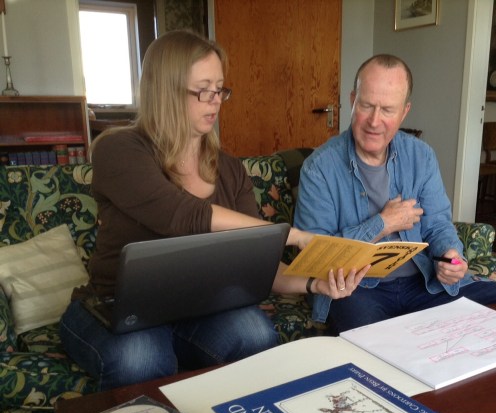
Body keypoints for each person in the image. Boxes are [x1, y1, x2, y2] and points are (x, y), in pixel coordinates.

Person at [60, 30, 368, 391]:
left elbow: (258, 265)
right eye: (204, 90)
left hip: (197, 308)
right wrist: (293, 235)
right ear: (166, 91)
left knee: (255, 333)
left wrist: (316, 284)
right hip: (113, 307)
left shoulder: (230, 169)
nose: (216, 101)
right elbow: (182, 216)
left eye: (220, 89)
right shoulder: (119, 150)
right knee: (142, 358)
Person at [294, 54, 496, 333]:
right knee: (373, 343)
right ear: (352, 100)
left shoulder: (420, 155)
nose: (374, 121)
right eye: (367, 106)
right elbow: (317, 258)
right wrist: (382, 224)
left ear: (404, 112)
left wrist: (451, 257)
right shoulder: (319, 168)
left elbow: (438, 225)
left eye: (387, 110)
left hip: (423, 283)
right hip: (356, 289)